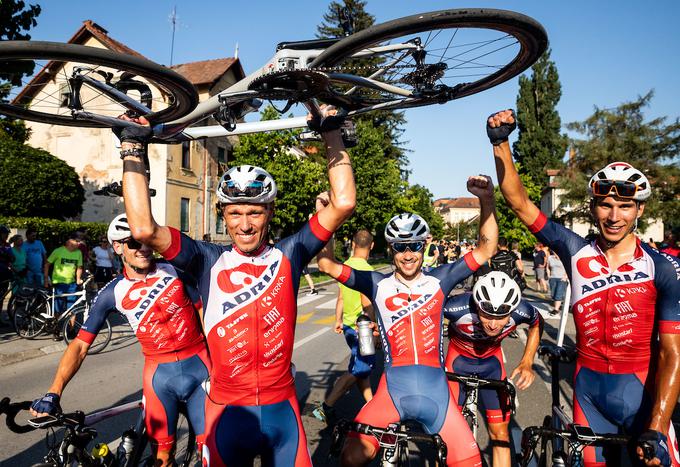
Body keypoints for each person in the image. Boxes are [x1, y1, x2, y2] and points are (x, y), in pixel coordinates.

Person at [119, 105, 356, 466]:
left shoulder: (290, 254)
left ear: (270, 212)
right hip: (227, 414)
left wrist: (331, 133)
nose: (244, 224)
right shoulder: (205, 259)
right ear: (223, 214)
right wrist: (133, 149)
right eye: (235, 212)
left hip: (283, 412)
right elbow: (144, 230)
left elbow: (344, 202)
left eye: (255, 212)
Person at [487, 109, 680, 467]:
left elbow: (672, 353)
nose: (614, 216)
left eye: (624, 206)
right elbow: (518, 202)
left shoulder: (660, 267)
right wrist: (501, 143)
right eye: (606, 205)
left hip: (641, 391)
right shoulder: (575, 250)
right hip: (588, 393)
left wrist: (657, 425)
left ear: (638, 210)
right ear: (593, 207)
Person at [317, 174, 498, 467]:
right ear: (391, 249)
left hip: (436, 393)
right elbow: (325, 264)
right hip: (392, 391)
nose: (408, 254)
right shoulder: (376, 283)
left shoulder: (441, 279)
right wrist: (326, 215)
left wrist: (487, 201)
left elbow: (486, 248)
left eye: (414, 246)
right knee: (350, 458)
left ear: (423, 246)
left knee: (470, 462)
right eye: (400, 247)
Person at [31, 215, 210, 467]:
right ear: (117, 247)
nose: (144, 249)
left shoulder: (175, 270)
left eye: (147, 241)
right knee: (163, 458)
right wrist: (54, 391)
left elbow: (204, 313)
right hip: (160, 377)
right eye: (134, 244)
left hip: (200, 366)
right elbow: (80, 345)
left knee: (211, 452)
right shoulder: (112, 292)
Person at [444, 271, 543, 467]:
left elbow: (537, 322)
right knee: (447, 433)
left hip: (492, 365)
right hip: (457, 363)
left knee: (500, 434)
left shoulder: (522, 310)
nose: (492, 324)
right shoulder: (455, 306)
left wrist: (527, 361)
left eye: (500, 317)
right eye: (485, 315)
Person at [313, 229, 375, 425]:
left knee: (361, 368)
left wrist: (337, 319)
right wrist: (375, 331)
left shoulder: (345, 267)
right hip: (362, 329)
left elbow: (340, 298)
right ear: (371, 246)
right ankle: (326, 406)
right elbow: (367, 303)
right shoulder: (367, 270)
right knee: (360, 368)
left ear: (354, 244)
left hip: (348, 327)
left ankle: (372, 407)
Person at [44, 233, 83, 324]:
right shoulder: (58, 251)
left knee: (72, 307)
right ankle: (56, 328)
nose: (79, 243)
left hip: (71, 284)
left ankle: (71, 329)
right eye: (76, 241)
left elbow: (79, 267)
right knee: (58, 307)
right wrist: (46, 279)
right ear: (69, 242)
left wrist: (78, 279)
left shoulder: (78, 252)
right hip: (59, 283)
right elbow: (47, 264)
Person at [547, 249, 568, 315]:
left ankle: (556, 309)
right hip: (553, 278)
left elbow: (568, 268)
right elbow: (547, 267)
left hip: (562, 279)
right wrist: (549, 275)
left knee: (558, 294)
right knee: (553, 294)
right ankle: (559, 305)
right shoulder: (550, 257)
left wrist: (565, 276)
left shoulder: (564, 257)